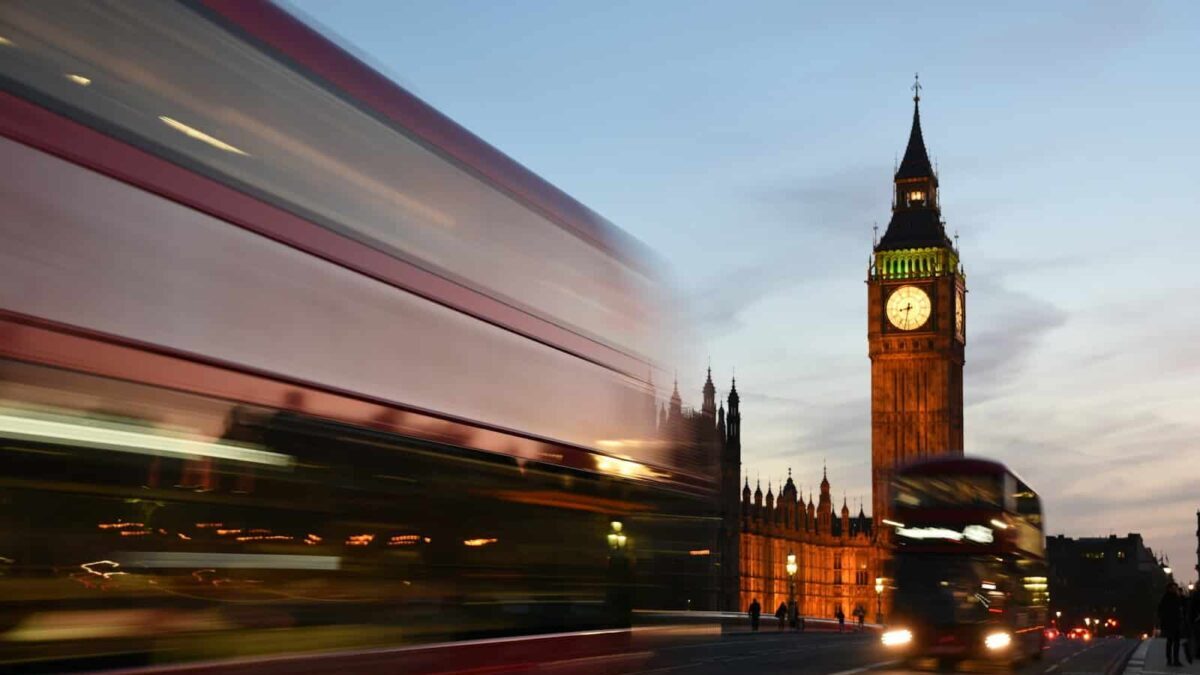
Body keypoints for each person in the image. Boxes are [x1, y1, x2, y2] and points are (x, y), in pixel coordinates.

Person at [1159, 582, 1184, 667]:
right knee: (1170, 642)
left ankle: (1175, 660)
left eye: (1175, 588)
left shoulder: (1176, 597)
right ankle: (1170, 660)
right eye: (1173, 588)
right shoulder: (1166, 598)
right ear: (1169, 588)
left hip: (1175, 623)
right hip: (1170, 623)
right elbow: (1161, 611)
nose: (1175, 589)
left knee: (1174, 642)